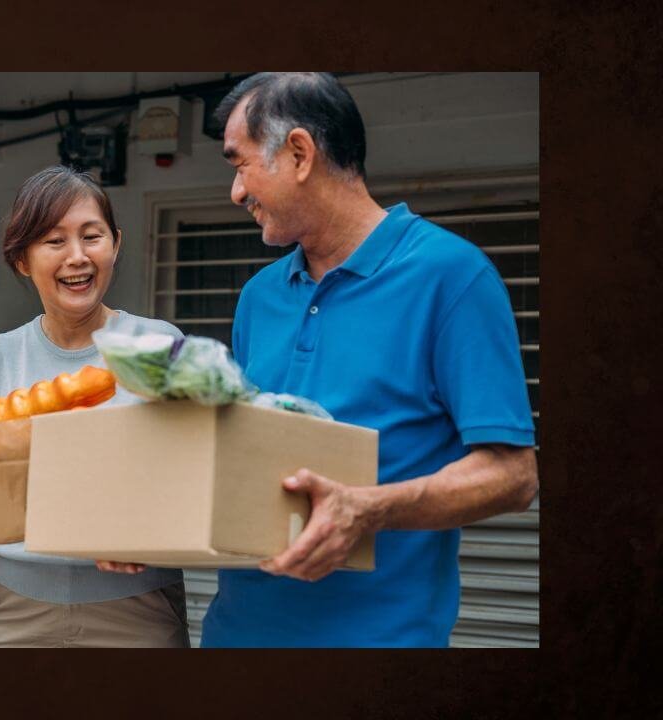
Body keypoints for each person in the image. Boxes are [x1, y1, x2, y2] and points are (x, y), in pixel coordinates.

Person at [169, 72, 536, 647]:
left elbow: (513, 476)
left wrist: (371, 509)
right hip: (236, 638)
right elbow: (241, 457)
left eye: (239, 164)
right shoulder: (258, 297)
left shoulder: (453, 277)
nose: (236, 192)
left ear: (298, 153)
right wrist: (144, 525)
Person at [0, 166, 191, 648]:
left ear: (115, 244)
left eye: (91, 236)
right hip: (19, 607)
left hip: (139, 606)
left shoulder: (159, 345)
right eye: (54, 241)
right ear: (21, 260)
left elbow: (190, 476)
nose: (77, 256)